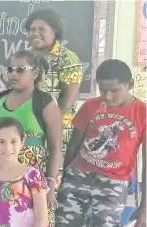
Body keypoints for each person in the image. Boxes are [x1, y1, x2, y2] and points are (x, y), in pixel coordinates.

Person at [56, 59, 146, 227]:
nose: (108, 96)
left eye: (114, 90)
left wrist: (145, 207)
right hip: (78, 177)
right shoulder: (90, 106)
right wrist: (64, 182)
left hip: (114, 182)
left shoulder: (142, 113)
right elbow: (73, 145)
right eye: (102, 90)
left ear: (130, 84)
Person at [0, 50, 62, 226]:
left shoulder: (44, 102)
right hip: (3, 174)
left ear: (35, 73)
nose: (14, 74)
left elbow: (55, 146)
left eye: (21, 69)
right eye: (10, 69)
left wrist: (51, 183)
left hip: (34, 180)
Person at [0, 117, 49, 227]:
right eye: (1, 142)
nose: (8, 148)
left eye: (14, 141)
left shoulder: (33, 175)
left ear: (22, 142)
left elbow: (42, 219)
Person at [26, 8, 84, 149]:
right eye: (32, 29)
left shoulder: (66, 57)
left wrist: (47, 124)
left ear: (54, 32)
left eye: (42, 29)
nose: (35, 33)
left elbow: (68, 99)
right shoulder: (26, 57)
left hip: (55, 131)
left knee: (52, 170)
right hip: (28, 129)